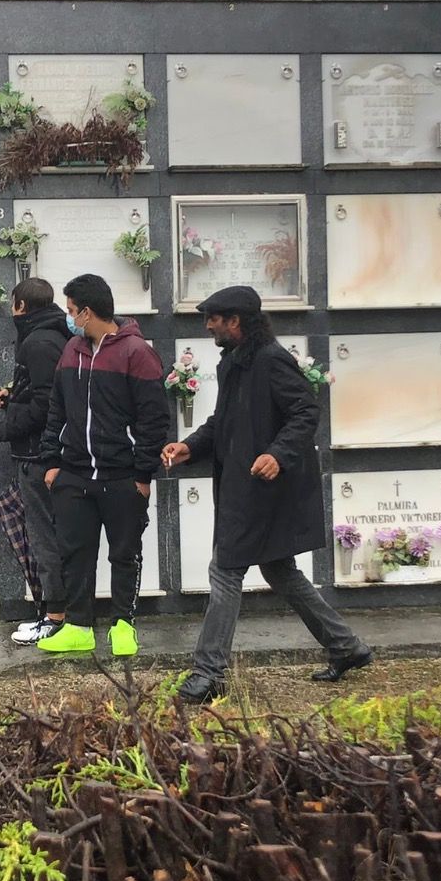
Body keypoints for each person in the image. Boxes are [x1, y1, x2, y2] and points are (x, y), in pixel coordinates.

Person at [164, 287, 372, 700]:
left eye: (213, 319)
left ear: (235, 321)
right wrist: (191, 445)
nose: (208, 326)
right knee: (280, 571)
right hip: (245, 486)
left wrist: (277, 453)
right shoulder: (233, 365)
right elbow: (222, 421)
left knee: (225, 569)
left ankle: (210, 673)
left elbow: (305, 412)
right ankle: (346, 647)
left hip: (267, 488)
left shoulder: (271, 359)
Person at [37, 273, 168, 657]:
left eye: (72, 310)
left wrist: (143, 475)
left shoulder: (137, 352)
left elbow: (153, 419)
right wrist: (51, 462)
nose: (69, 317)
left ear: (88, 311)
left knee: (124, 553)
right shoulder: (71, 351)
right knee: (75, 553)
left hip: (122, 476)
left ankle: (123, 625)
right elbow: (56, 409)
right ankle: (78, 626)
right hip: (74, 474)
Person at [0, 278, 71, 646]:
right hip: (45, 453)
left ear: (21, 305)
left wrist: (3, 429)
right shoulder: (50, 336)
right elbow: (41, 393)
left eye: (12, 304)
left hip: (39, 456)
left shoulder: (38, 343)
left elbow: (46, 405)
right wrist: (11, 398)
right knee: (48, 537)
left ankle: (54, 616)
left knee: (43, 538)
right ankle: (53, 613)